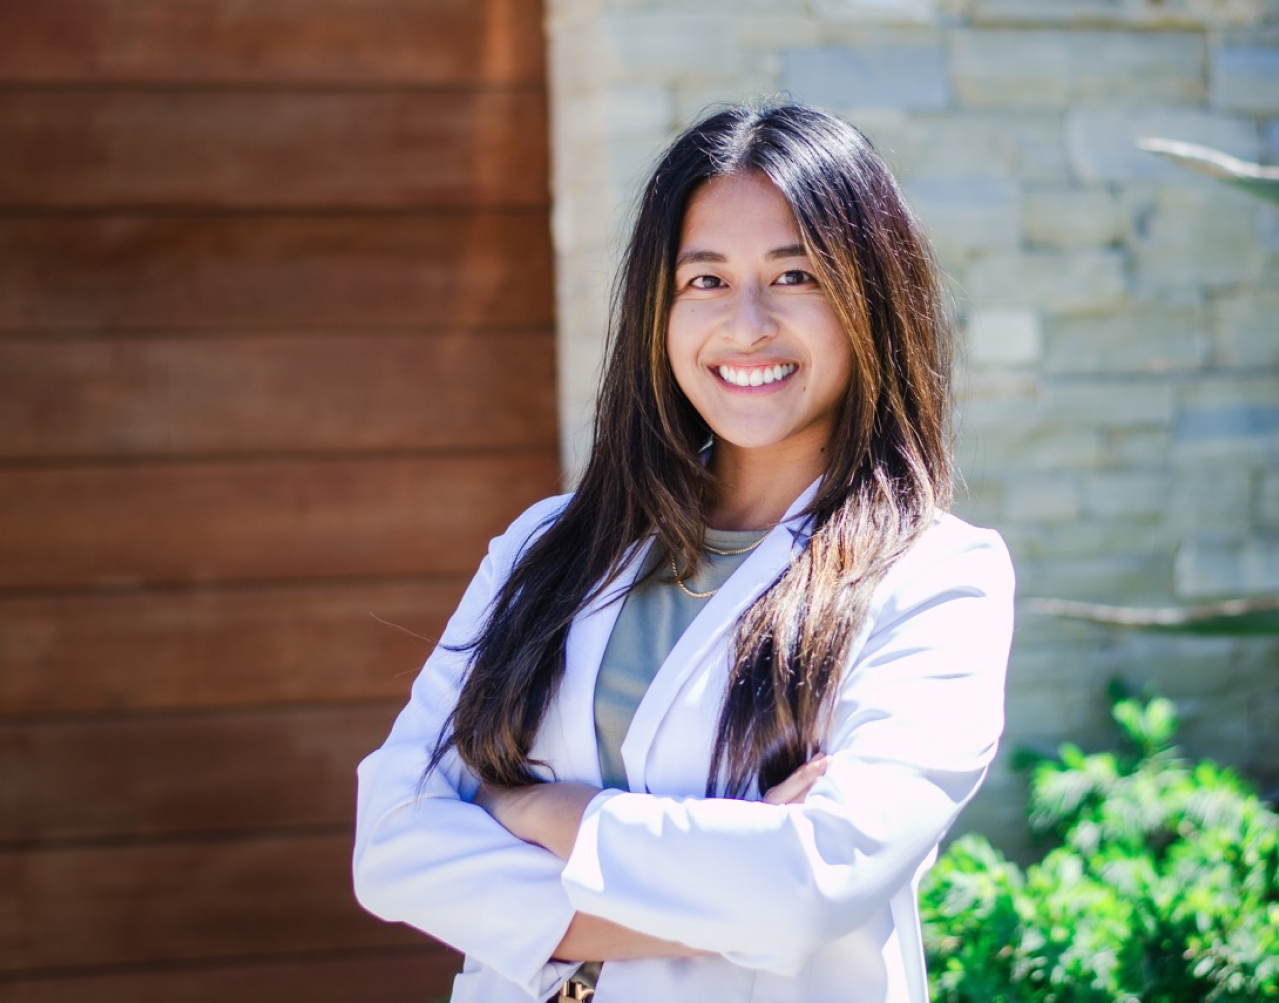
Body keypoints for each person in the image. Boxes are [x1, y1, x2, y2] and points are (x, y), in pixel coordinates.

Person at [352, 102, 1015, 1003]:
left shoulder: (935, 575)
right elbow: (391, 840)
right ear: (656, 311)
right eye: (704, 281)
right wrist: (716, 892)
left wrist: (537, 810)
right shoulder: (548, 548)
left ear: (871, 300)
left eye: (795, 276)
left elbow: (810, 884)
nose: (745, 325)